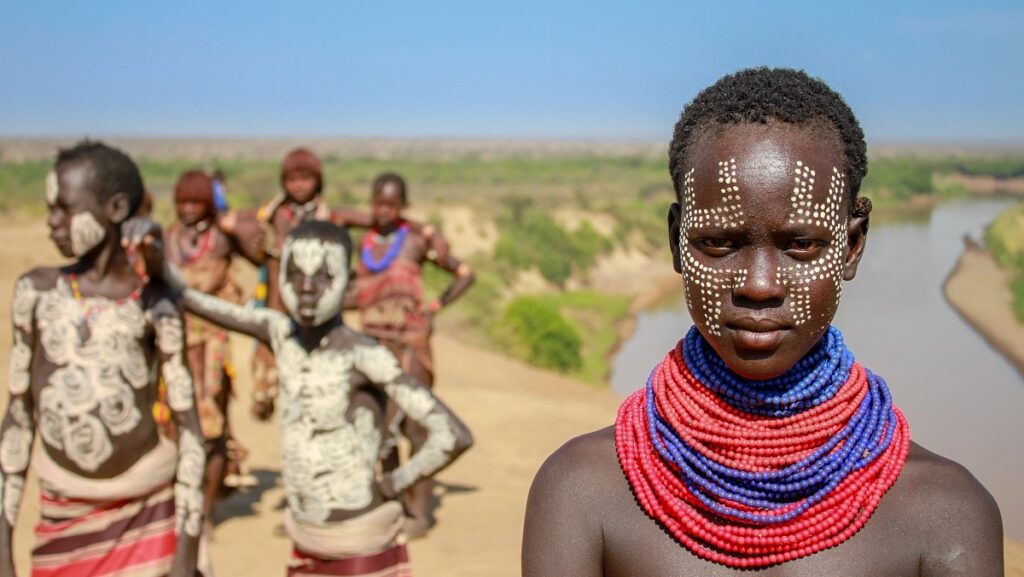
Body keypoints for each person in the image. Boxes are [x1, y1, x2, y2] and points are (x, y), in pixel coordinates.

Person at [521, 68, 1003, 576]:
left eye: (800, 245)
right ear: (676, 242)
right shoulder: (583, 489)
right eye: (719, 243)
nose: (759, 286)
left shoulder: (946, 513)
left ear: (852, 246)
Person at [129, 218, 473, 576]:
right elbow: (186, 296)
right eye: (295, 274)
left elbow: (452, 434)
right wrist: (153, 253)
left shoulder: (363, 355)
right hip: (305, 540)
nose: (307, 288)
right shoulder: (279, 333)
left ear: (347, 282)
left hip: (359, 545)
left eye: (324, 275)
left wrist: (394, 482)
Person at [0, 141, 205, 577]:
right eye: (49, 208)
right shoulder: (35, 293)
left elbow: (190, 433)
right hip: (63, 519)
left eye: (65, 208)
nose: (52, 221)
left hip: (146, 516)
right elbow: (18, 421)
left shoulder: (155, 304)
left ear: (115, 208)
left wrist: (185, 557)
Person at [348, 173, 475, 538]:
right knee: (380, 426)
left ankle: (420, 513)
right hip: (372, 343)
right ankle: (393, 503)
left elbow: (465, 273)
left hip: (410, 345)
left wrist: (435, 306)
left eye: (391, 204)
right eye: (377, 203)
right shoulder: (367, 243)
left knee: (415, 426)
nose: (383, 210)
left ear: (403, 206)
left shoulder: (418, 240)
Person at [215, 148, 370, 422]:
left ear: (318, 180)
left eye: (306, 178)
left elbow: (378, 221)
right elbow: (228, 221)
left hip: (317, 319)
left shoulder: (330, 217)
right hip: (276, 312)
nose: (299, 185)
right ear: (283, 181)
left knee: (316, 393)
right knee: (266, 390)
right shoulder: (272, 215)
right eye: (292, 179)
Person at [165, 170, 256, 537]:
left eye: (196, 202)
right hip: (173, 342)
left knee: (212, 425)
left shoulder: (222, 236)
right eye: (182, 202)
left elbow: (262, 256)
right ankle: (177, 505)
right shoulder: (167, 238)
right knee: (172, 424)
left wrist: (236, 230)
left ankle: (204, 511)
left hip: (213, 344)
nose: (188, 209)